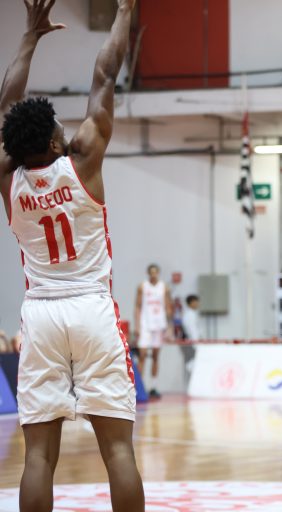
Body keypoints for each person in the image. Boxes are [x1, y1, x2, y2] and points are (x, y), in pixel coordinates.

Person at [0, 1, 144, 510]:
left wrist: (29, 39)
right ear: (54, 139)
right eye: (59, 125)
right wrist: (125, 10)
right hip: (91, 308)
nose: (65, 127)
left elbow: (6, 107)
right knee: (118, 450)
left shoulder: (8, 179)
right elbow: (104, 74)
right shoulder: (82, 160)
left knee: (38, 457)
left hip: (40, 315)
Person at [134, 263, 172, 399]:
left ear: (158, 273)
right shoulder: (142, 286)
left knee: (156, 356)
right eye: (151, 272)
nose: (153, 274)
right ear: (148, 273)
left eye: (155, 272)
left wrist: (169, 327)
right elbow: (138, 306)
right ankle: (139, 387)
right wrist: (137, 326)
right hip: (145, 324)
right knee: (142, 355)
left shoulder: (164, 287)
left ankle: (153, 387)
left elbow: (168, 307)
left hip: (159, 324)